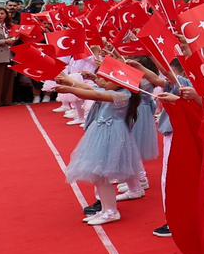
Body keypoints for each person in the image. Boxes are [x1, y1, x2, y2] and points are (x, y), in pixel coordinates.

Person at [57, 72, 144, 226]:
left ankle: (111, 211)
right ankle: (106, 209)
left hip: (111, 135)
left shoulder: (124, 95)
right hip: (101, 132)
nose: (103, 81)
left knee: (101, 175)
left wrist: (70, 89)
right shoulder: (114, 91)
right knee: (98, 175)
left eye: (108, 80)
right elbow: (89, 89)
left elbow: (95, 94)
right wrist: (69, 81)